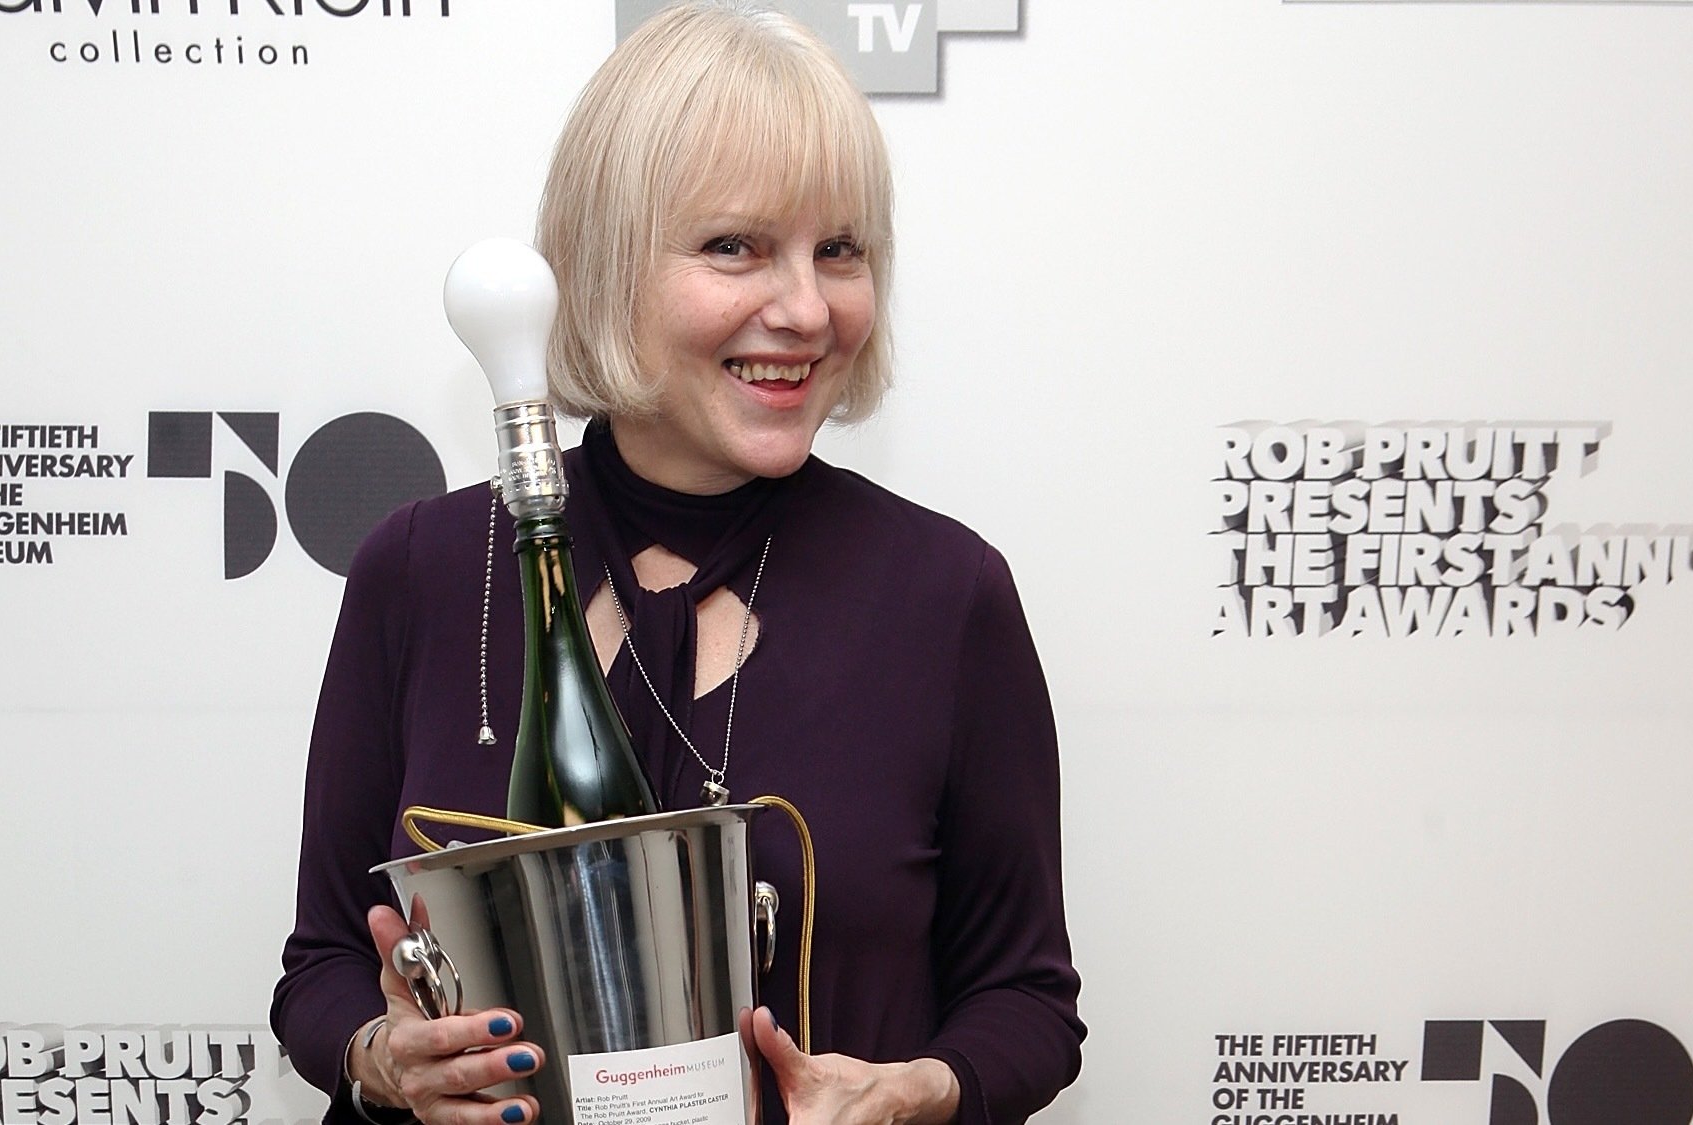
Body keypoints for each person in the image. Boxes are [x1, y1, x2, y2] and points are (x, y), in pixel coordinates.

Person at [270, 3, 1084, 1123]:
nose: (803, 309)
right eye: (734, 246)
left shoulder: (944, 597)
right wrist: (380, 1057)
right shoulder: (424, 569)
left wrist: (911, 1093)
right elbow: (319, 967)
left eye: (837, 251)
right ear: (604, 266)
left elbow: (1024, 1003)